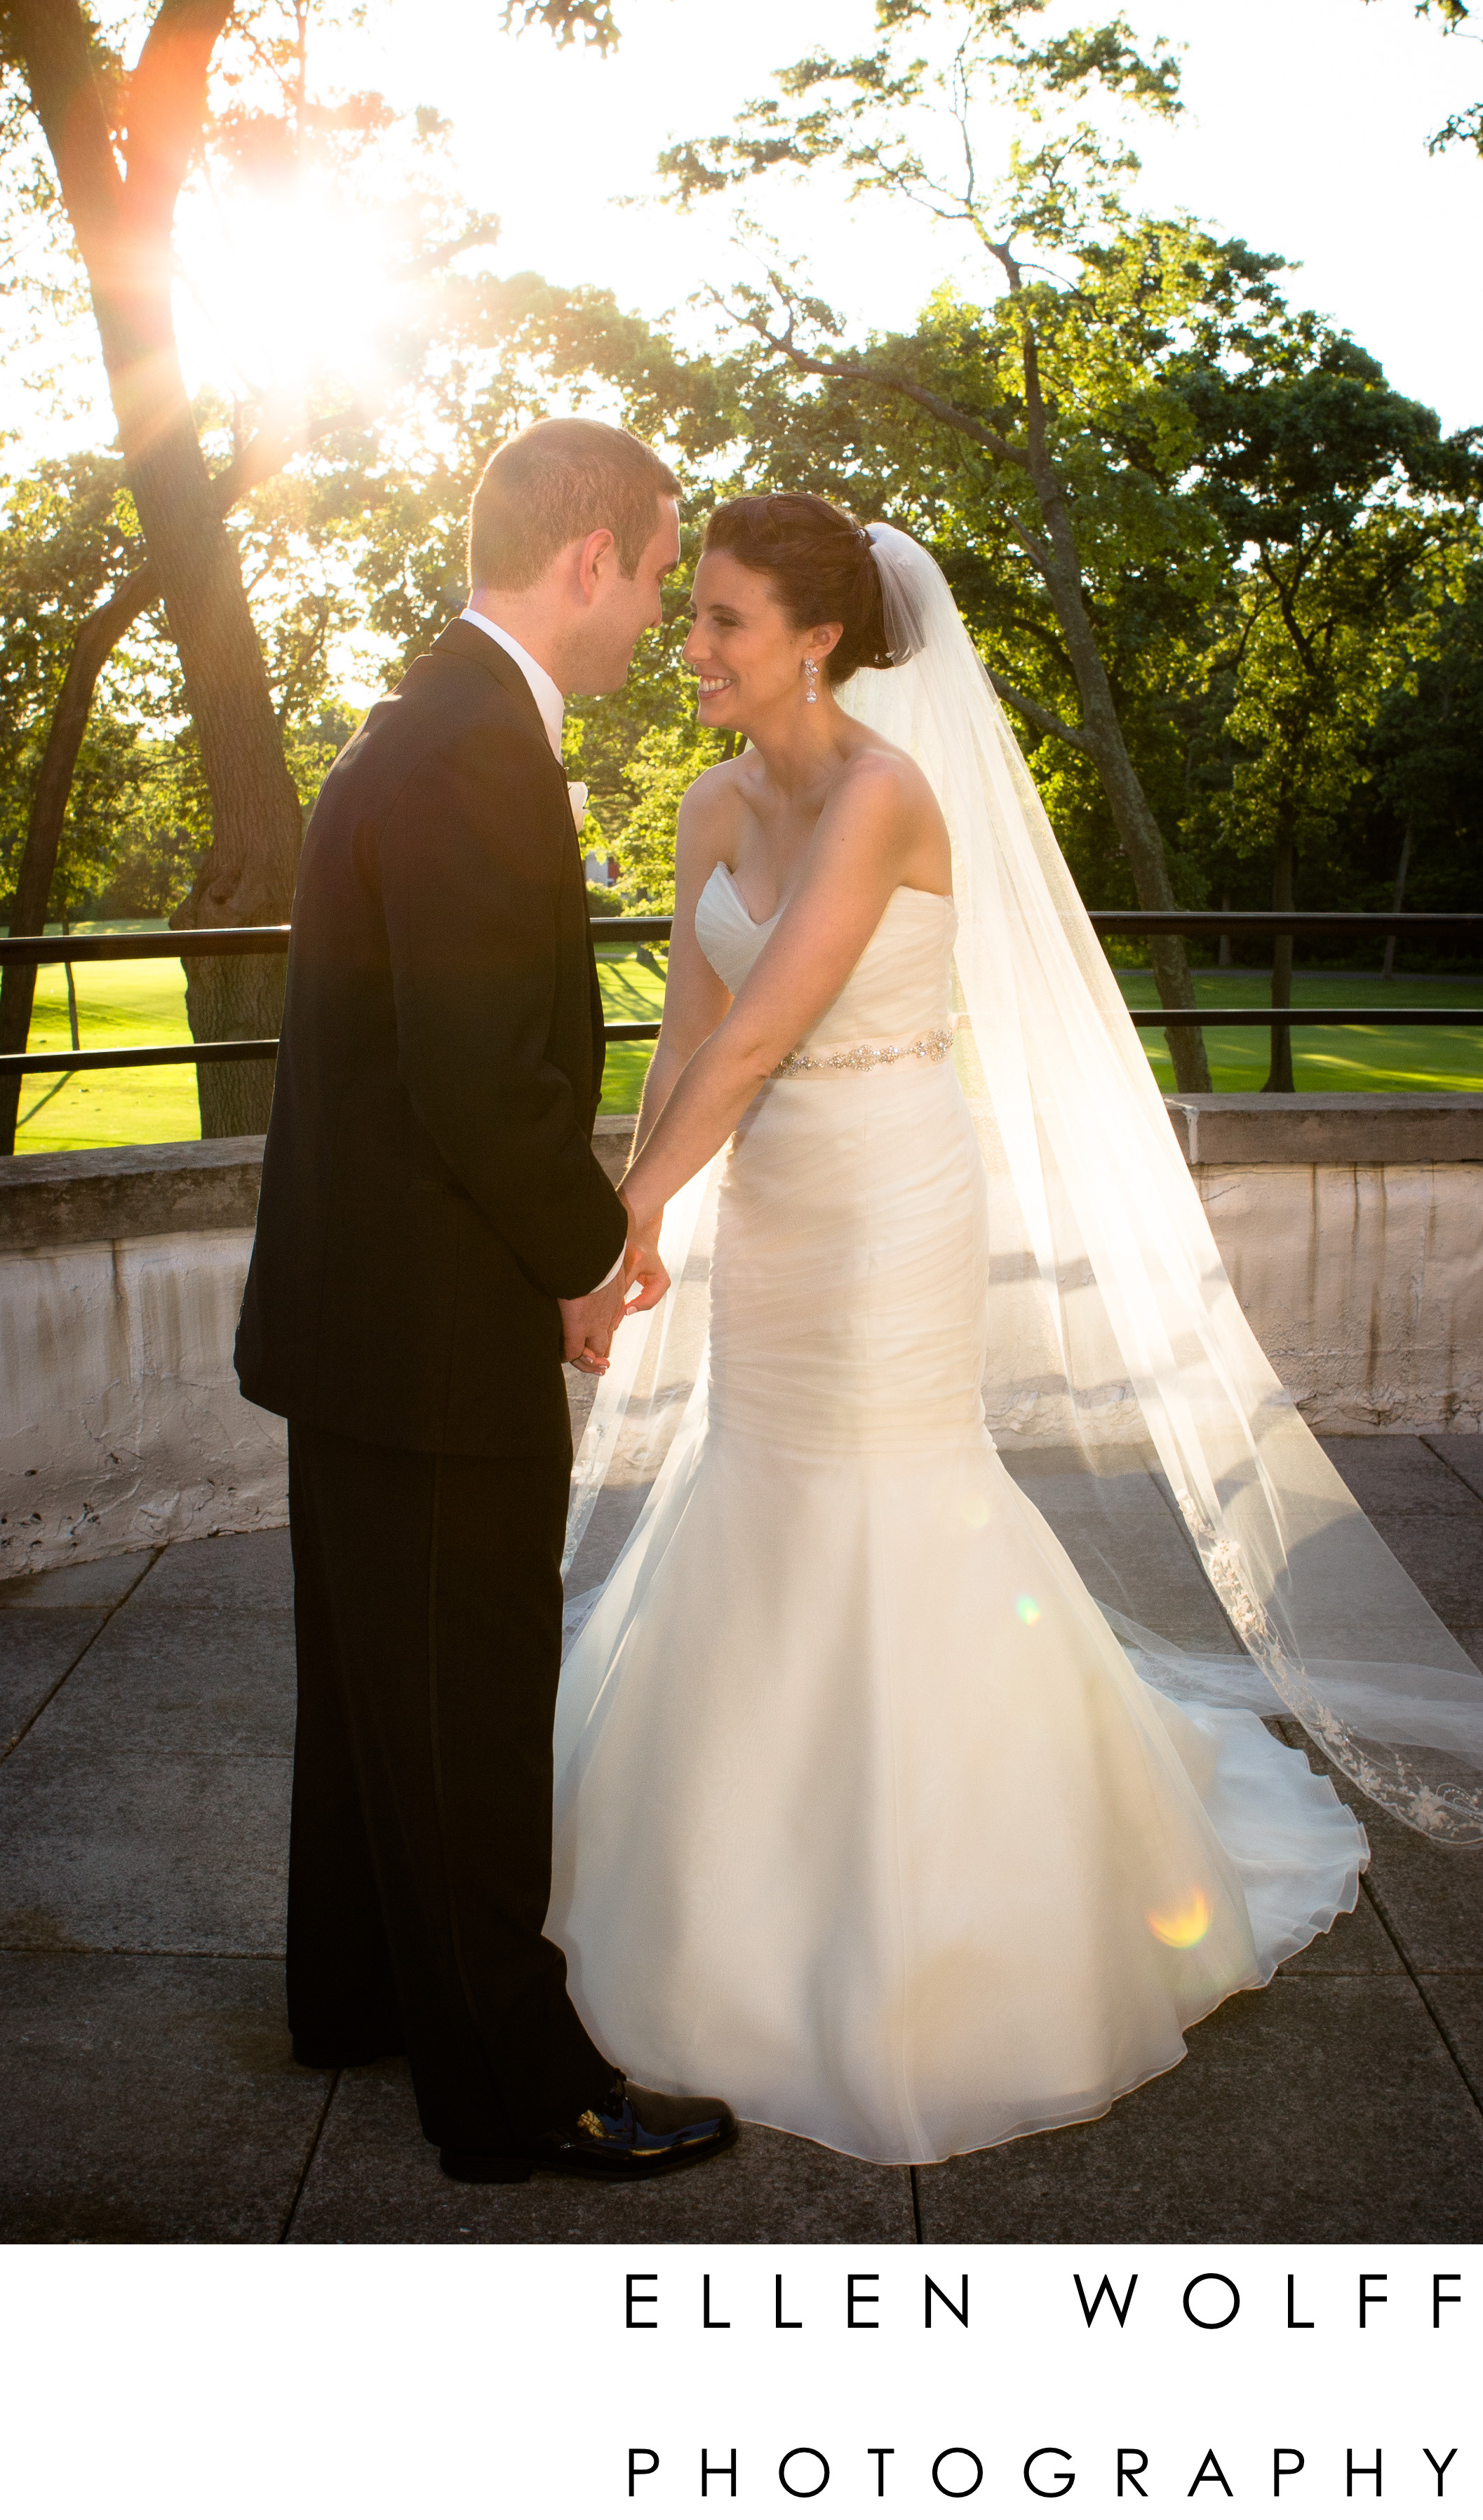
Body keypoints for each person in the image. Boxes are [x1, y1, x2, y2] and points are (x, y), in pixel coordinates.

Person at [546, 494, 1483, 2167]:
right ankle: (721, 1862)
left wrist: (612, 1234)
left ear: (819, 638)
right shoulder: (702, 806)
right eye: (691, 613)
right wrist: (636, 1215)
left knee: (890, 1494)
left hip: (891, 1186)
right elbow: (683, 1042)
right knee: (754, 1483)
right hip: (769, 1205)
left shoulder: (883, 800)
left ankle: (968, 1900)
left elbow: (764, 1037)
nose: (690, 645)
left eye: (728, 620)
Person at [234, 418, 735, 2184]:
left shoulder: (436, 718)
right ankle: (515, 2091)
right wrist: (593, 1261)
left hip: (361, 1312)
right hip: (430, 1326)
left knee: (376, 1679)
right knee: (463, 1697)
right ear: (587, 555)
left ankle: (359, 1993)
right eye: (659, 569)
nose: (657, 613)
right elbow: (476, 1077)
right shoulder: (473, 751)